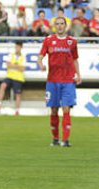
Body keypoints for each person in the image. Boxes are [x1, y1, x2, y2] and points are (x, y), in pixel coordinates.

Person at [38, 17, 82, 147]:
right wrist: (41, 64)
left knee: (66, 109)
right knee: (53, 110)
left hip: (68, 80)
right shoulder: (48, 40)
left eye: (62, 24)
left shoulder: (72, 42)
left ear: (66, 25)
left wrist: (78, 74)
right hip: (52, 81)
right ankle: (55, 139)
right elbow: (40, 56)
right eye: (57, 24)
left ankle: (66, 140)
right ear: (54, 26)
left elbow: (75, 60)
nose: (60, 26)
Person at [0, 41, 26, 116]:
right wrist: (17, 66)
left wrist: (13, 65)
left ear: (21, 48)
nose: (17, 48)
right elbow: (8, 65)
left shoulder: (23, 57)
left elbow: (23, 69)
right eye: (16, 47)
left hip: (18, 78)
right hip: (10, 76)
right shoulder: (11, 55)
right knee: (3, 85)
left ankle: (17, 110)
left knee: (17, 94)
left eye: (18, 47)